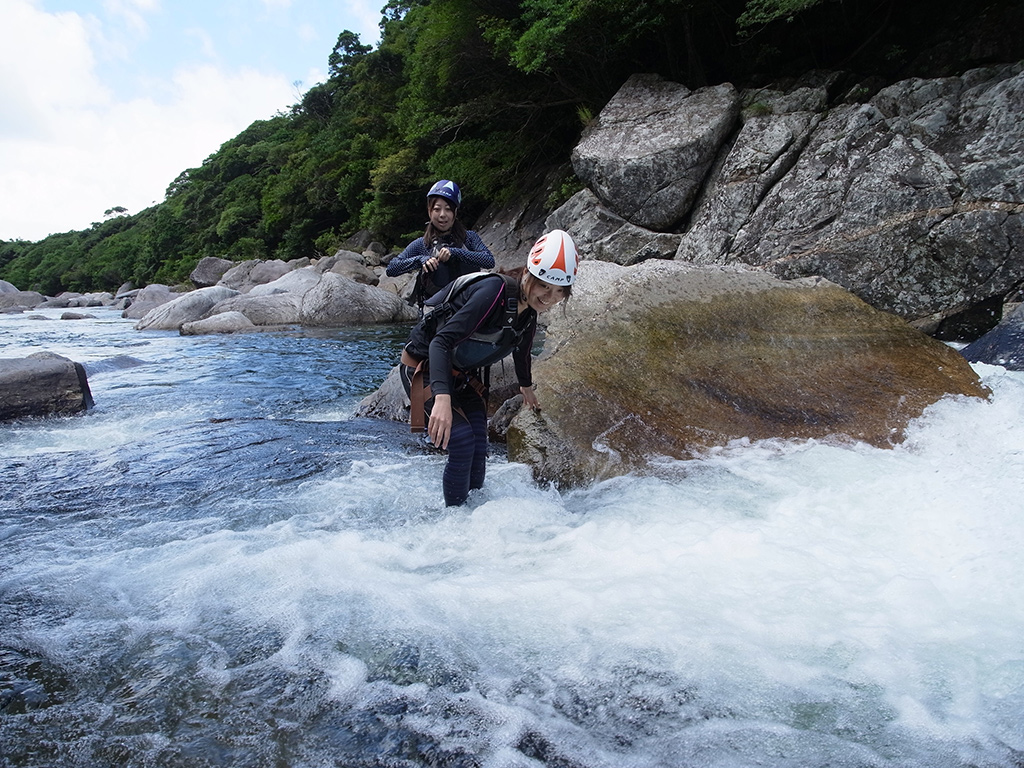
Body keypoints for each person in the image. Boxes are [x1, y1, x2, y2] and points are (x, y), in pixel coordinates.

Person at [399, 229, 580, 506]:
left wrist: (527, 388)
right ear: (529, 275)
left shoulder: (529, 312)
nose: (549, 297)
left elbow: (523, 350)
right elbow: (441, 342)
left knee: (479, 443)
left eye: (559, 292)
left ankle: (476, 513)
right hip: (425, 367)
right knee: (461, 440)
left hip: (461, 375)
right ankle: (455, 518)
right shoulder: (494, 291)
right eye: (544, 285)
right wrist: (442, 399)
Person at [385, 179, 495, 306]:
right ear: (429, 212)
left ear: (455, 212)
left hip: (469, 307)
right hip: (436, 312)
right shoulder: (422, 244)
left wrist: (455, 252)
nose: (442, 215)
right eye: (437, 209)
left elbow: (489, 261)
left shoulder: (469, 238)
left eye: (448, 209)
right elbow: (392, 269)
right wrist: (421, 260)